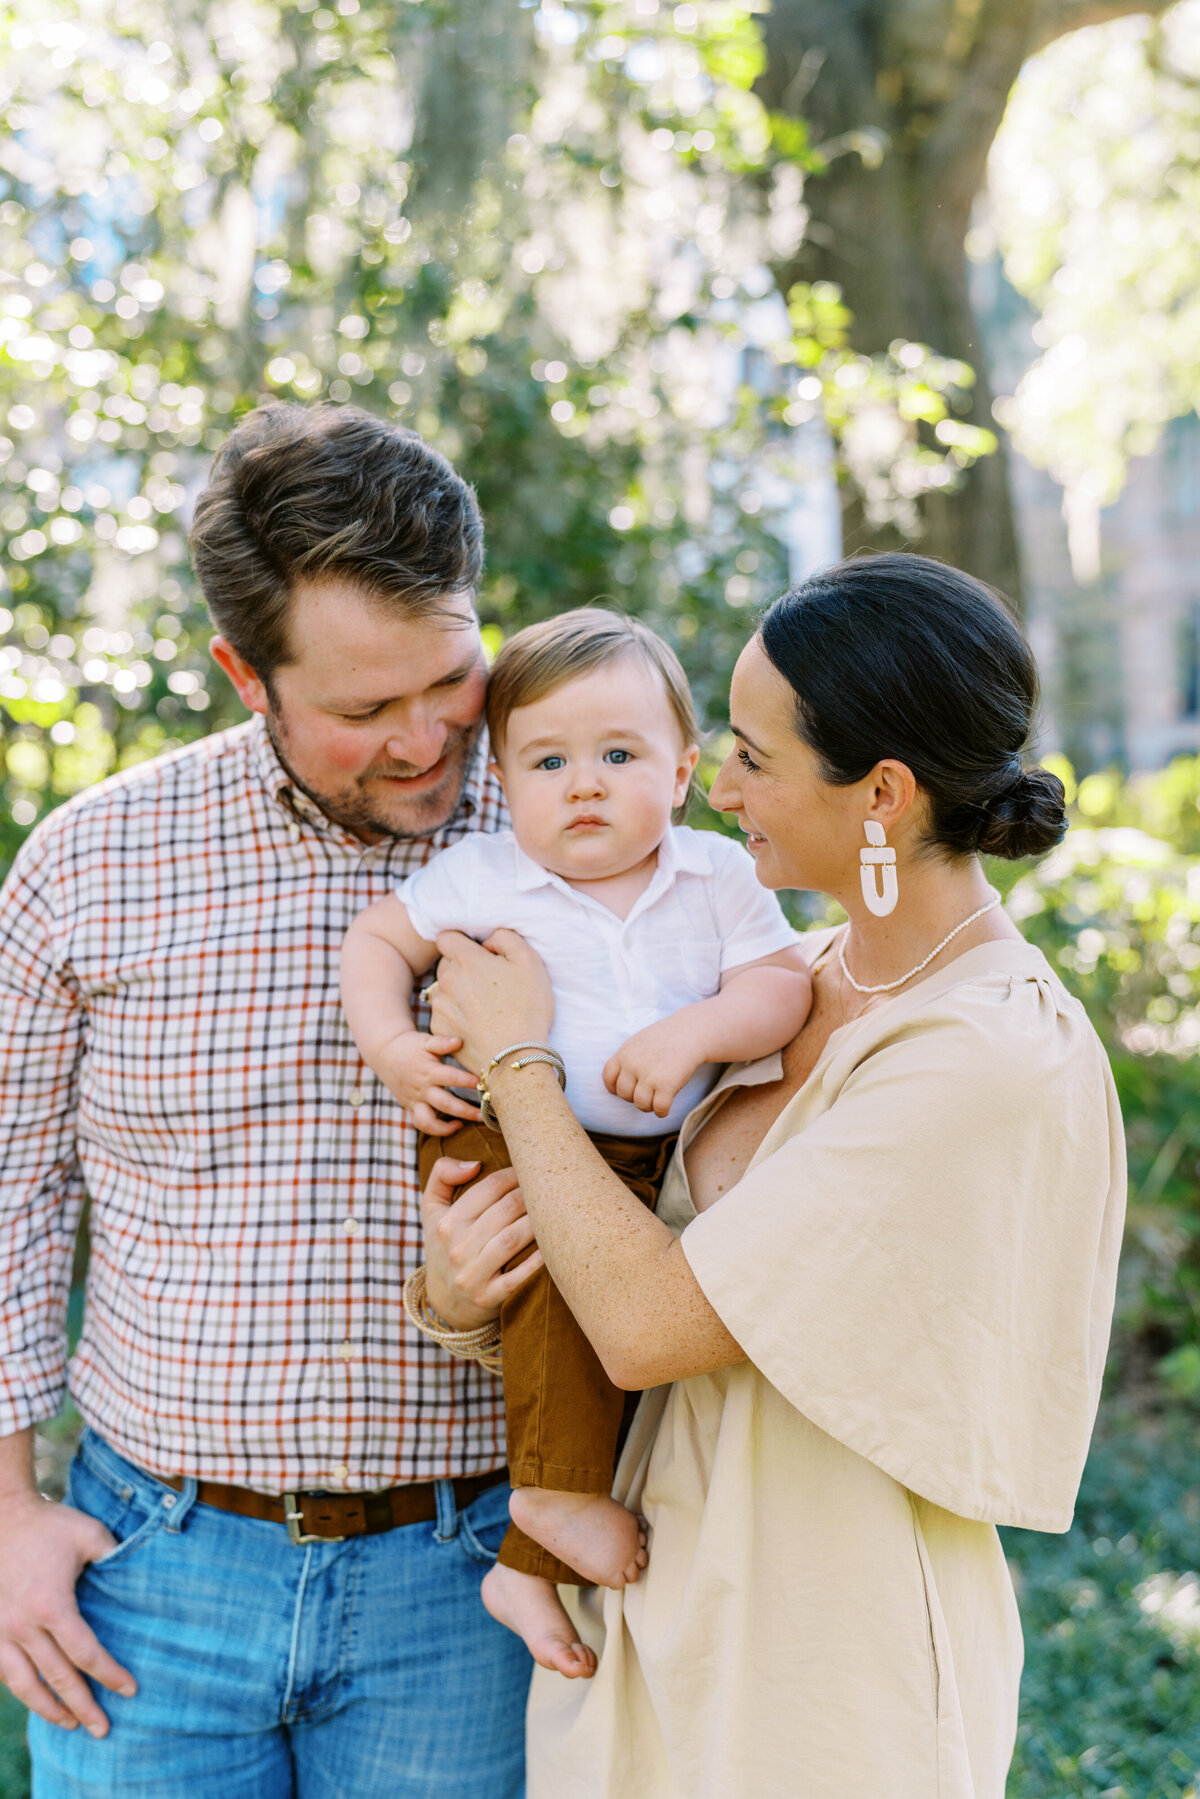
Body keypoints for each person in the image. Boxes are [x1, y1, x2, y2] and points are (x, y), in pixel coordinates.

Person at [419, 553, 1127, 1799]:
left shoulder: (982, 1049)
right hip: (644, 1588)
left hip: (821, 1644)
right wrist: (467, 1294)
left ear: (883, 794)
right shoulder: (787, 979)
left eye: (751, 754)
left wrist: (518, 1064)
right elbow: (613, 1250)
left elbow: (650, 1320)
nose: (718, 787)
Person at [0, 402, 536, 1799]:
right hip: (150, 1576)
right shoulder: (92, 862)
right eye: (365, 710)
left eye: (453, 678)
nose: (429, 743)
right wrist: (4, 1511)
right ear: (247, 672)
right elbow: (8, 1191)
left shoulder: (576, 836)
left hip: (470, 1577)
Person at [341, 609, 811, 1678]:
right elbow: (378, 941)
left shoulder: (713, 875)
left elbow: (779, 986)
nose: (584, 783)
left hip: (644, 1158)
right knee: (559, 1280)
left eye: (618, 754)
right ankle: (550, 1494)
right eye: (549, 760)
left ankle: (523, 1558)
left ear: (685, 768)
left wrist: (698, 1030)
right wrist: (393, 1047)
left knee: (625, 1334)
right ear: (503, 779)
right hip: (498, 1130)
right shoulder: (483, 874)